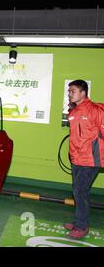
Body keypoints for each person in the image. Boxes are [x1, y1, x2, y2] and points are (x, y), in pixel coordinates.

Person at [64, 79, 104, 238]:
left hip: (90, 160)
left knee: (81, 192)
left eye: (73, 91)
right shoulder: (73, 112)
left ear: (83, 92)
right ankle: (79, 222)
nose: (70, 94)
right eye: (69, 91)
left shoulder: (96, 110)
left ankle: (82, 226)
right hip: (76, 159)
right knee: (78, 192)